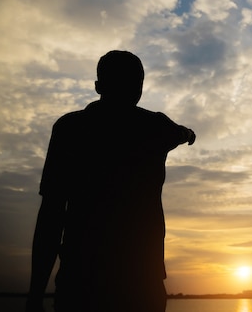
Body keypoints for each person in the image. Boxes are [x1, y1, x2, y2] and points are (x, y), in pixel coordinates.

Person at [26, 50, 196, 312]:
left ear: (98, 86)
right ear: (140, 88)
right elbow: (183, 133)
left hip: (81, 281)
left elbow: (51, 215)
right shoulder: (156, 128)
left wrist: (35, 293)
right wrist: (189, 134)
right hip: (139, 283)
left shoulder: (70, 129)